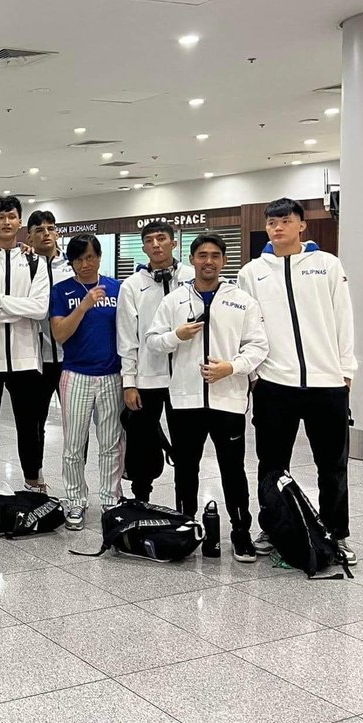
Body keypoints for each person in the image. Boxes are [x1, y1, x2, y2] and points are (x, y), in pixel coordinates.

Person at [238, 197, 357, 564]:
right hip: (275, 385)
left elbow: (343, 318)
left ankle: (336, 532)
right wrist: (256, 375)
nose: (278, 228)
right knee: (272, 465)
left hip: (327, 384)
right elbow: (247, 327)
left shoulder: (326, 265)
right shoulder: (252, 272)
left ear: (301, 225)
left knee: (332, 466)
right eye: (272, 222)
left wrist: (345, 371)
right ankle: (274, 527)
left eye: (285, 221)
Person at [147, 234, 269, 561]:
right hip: (185, 402)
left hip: (228, 401)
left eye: (215, 255)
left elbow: (258, 347)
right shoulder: (174, 300)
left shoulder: (242, 301)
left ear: (224, 261)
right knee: (186, 470)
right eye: (202, 255)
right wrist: (177, 335)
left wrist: (232, 367)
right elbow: (153, 341)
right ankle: (185, 527)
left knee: (233, 470)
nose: (209, 261)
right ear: (193, 259)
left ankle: (241, 532)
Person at [0, 196, 50, 490]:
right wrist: (17, 308)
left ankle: (33, 481)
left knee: (30, 427)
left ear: (19, 222)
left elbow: (40, 309)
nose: (6, 222)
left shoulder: (33, 261)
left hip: (26, 357)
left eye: (12, 217)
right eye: (1, 217)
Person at [50, 234, 125, 530]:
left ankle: (110, 499)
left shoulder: (118, 288)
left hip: (112, 375)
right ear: (71, 262)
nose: (85, 264)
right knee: (73, 444)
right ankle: (75, 500)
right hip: (76, 375)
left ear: (99, 257)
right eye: (79, 259)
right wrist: (83, 306)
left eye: (91, 257)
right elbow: (59, 334)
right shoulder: (62, 290)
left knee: (111, 442)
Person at [117, 221, 195, 502]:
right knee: (141, 444)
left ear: (174, 243)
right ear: (144, 247)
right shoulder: (132, 285)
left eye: (161, 238)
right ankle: (141, 501)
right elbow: (127, 338)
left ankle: (185, 508)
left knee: (186, 447)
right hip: (147, 377)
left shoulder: (191, 277)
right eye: (149, 240)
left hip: (186, 378)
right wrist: (129, 382)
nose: (156, 244)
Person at [26, 211, 74, 487]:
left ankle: (75, 481)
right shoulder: (24, 266)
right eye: (39, 229)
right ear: (29, 235)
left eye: (51, 228)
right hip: (37, 359)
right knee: (34, 423)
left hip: (71, 358)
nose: (46, 233)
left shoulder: (71, 266)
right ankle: (35, 478)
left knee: (75, 425)